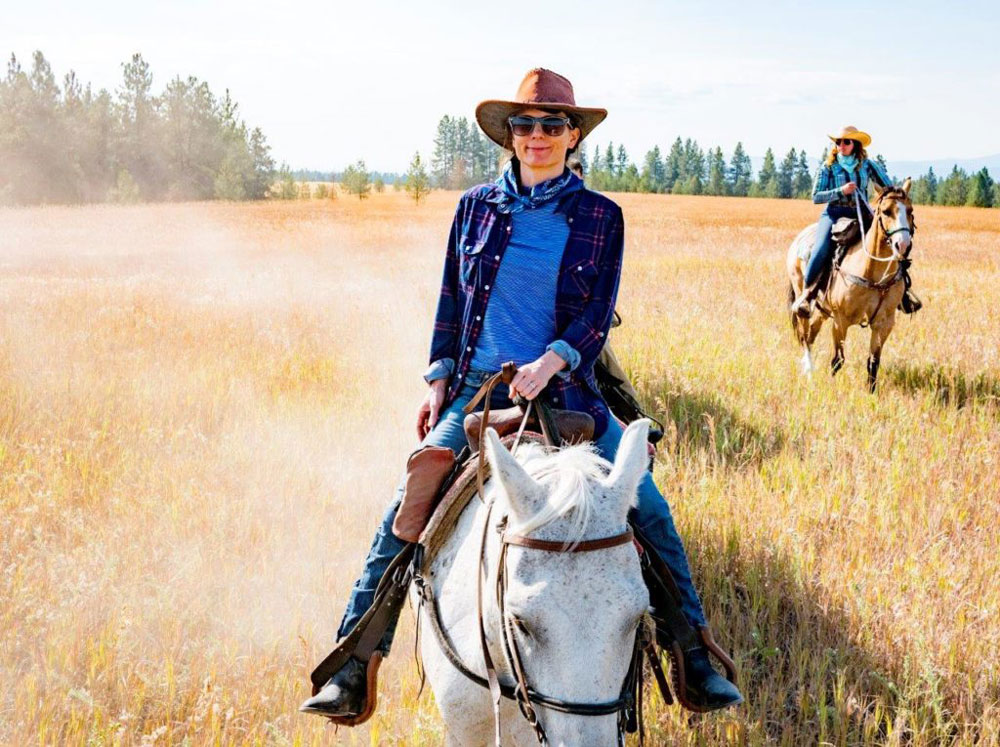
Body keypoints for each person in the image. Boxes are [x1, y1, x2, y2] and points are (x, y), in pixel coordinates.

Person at [300, 68, 742, 720]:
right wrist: (439, 372)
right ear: (510, 135)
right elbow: (451, 296)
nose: (538, 135)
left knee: (647, 505)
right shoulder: (474, 207)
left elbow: (596, 315)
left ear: (572, 136)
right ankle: (354, 658)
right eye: (526, 124)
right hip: (480, 392)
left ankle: (694, 653)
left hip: (571, 393)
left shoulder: (600, 217)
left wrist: (553, 358)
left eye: (552, 124)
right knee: (410, 500)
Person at [791, 126, 921, 318]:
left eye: (846, 142)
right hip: (834, 214)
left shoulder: (867, 165)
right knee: (820, 249)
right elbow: (816, 196)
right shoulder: (828, 167)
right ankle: (807, 296)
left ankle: (903, 294)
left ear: (855, 145)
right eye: (838, 142)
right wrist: (841, 191)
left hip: (863, 213)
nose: (841, 145)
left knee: (889, 244)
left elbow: (887, 187)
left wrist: (899, 193)